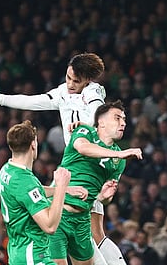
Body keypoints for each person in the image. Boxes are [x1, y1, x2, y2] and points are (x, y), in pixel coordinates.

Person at [0, 53, 128, 265]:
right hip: (77, 166)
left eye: (76, 81)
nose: (70, 84)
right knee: (93, 231)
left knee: (75, 227)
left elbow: (98, 117)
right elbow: (35, 101)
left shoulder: (93, 97)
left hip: (85, 168)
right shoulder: (63, 92)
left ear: (87, 80)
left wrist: (86, 126)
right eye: (68, 77)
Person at [49, 100, 142, 265]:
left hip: (82, 220)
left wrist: (104, 196)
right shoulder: (85, 131)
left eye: (124, 119)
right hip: (58, 214)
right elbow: (83, 148)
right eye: (117, 118)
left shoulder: (119, 160)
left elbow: (103, 200)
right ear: (101, 122)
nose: (123, 123)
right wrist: (118, 155)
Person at [0, 120, 86, 264]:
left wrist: (62, 190)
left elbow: (30, 194)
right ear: (33, 144)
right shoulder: (25, 181)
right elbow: (50, 226)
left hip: (18, 251)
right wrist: (62, 187)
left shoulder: (7, 169)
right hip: (33, 255)